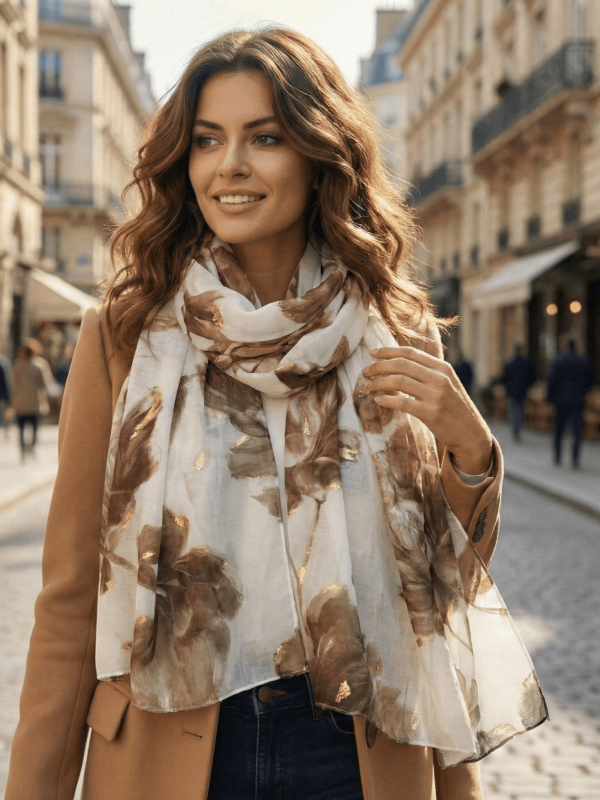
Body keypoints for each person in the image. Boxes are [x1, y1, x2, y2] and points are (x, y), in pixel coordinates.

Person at [6, 28, 546, 800]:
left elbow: (450, 576)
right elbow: (67, 602)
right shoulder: (124, 337)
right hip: (170, 747)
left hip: (357, 748)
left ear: (319, 153)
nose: (230, 165)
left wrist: (467, 445)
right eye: (207, 140)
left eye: (265, 137)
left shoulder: (392, 328)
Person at [547, 339, 594, 467]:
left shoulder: (558, 360)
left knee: (558, 430)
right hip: (577, 400)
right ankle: (575, 459)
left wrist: (550, 397)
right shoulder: (582, 361)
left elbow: (551, 380)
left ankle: (557, 456)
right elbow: (590, 380)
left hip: (560, 400)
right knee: (576, 431)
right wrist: (583, 392)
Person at [11, 344, 48, 458]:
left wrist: (13, 403)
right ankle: (31, 447)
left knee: (21, 428)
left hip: (20, 403)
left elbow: (13, 386)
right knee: (34, 428)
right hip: (34, 403)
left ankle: (23, 449)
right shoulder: (38, 367)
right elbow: (43, 386)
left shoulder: (17, 367)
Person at [502, 344, 536, 442]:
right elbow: (533, 376)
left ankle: (515, 429)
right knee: (520, 409)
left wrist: (508, 387)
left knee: (514, 409)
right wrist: (528, 385)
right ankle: (517, 429)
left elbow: (505, 378)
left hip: (513, 390)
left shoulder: (510, 363)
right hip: (522, 390)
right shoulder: (526, 363)